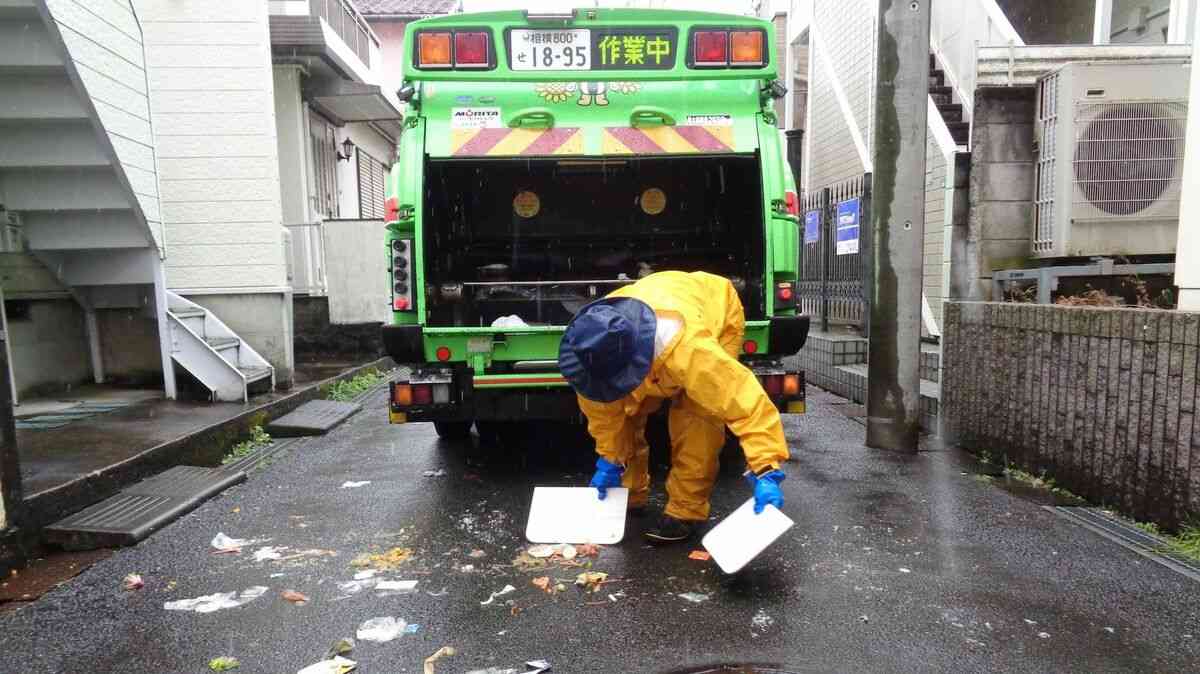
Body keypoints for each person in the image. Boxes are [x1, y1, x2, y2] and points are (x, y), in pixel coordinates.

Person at [558, 271, 789, 544]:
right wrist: (610, 458)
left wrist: (766, 468)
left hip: (713, 310)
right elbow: (607, 418)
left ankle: (685, 510)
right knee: (624, 411)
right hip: (664, 304)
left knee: (697, 417)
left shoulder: (692, 351)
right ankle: (628, 495)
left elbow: (744, 402)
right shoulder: (592, 350)